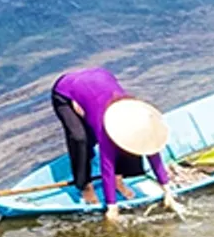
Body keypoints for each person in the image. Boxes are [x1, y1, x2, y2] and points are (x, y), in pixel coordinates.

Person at [49, 67, 178, 221]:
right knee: (80, 138)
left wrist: (167, 192)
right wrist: (112, 207)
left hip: (99, 79)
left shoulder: (139, 118)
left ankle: (119, 178)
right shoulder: (107, 126)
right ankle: (84, 185)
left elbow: (153, 153)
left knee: (129, 145)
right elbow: (107, 166)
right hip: (65, 91)